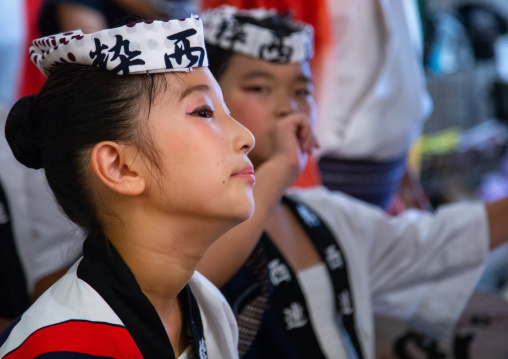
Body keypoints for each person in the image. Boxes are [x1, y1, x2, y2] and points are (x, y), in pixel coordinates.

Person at [197, 6, 508, 359]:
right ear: (210, 103)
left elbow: (434, 243)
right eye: (260, 88)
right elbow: (191, 285)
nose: (289, 108)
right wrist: (282, 165)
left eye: (302, 89)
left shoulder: (322, 211)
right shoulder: (193, 218)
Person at [0, 16, 259, 358]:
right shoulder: (56, 348)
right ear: (119, 167)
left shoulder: (207, 304)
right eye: (204, 112)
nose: (246, 137)